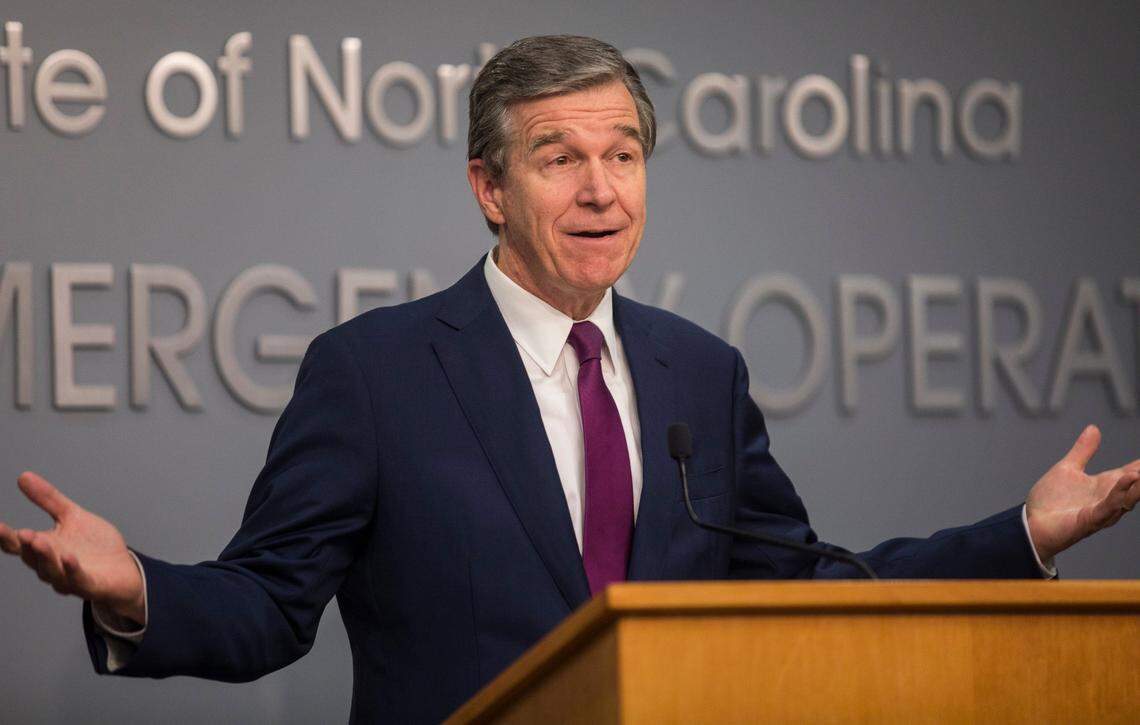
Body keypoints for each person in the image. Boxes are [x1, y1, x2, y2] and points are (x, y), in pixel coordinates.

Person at [1, 35, 1137, 723]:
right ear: (491, 188)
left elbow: (807, 588)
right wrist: (135, 584)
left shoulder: (701, 371)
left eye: (624, 155)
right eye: (562, 159)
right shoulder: (377, 372)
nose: (603, 190)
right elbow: (268, 605)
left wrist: (1019, 536)